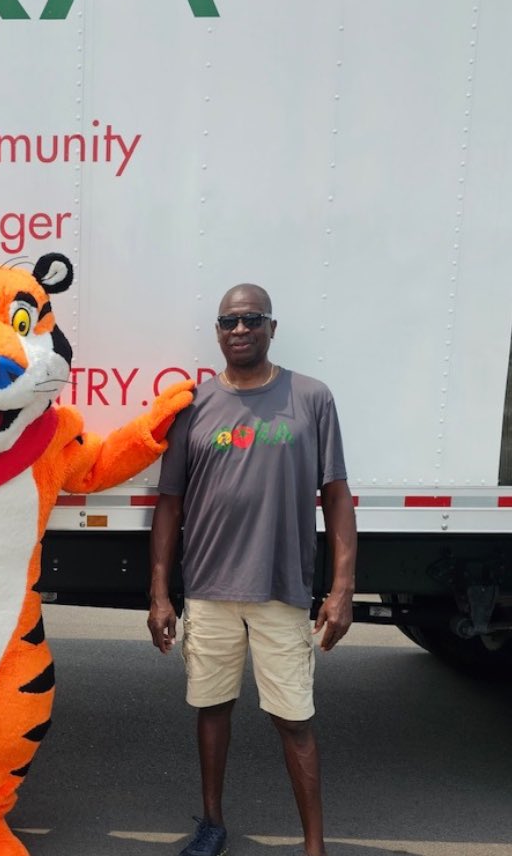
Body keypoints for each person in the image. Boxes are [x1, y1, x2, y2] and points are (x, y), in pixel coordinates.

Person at [147, 285, 357, 856]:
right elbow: (170, 503)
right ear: (217, 332)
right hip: (211, 589)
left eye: (251, 319)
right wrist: (160, 593)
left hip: (281, 589)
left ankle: (314, 844)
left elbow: (337, 496)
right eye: (228, 321)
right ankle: (212, 824)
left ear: (271, 326)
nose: (239, 330)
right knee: (212, 710)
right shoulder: (195, 405)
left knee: (294, 720)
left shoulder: (311, 398)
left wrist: (342, 588)